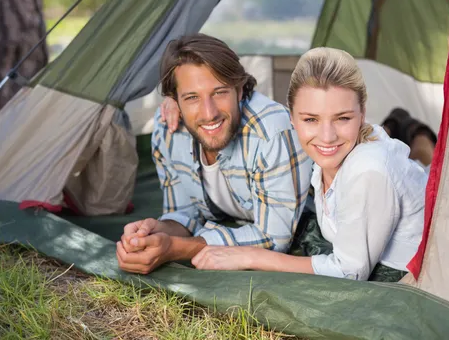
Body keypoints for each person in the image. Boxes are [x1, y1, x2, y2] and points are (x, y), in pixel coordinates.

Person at [187, 47, 428, 281]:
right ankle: (411, 135)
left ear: (362, 113)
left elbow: (349, 272)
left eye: (342, 118)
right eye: (311, 119)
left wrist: (250, 257)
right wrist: (180, 102)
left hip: (401, 269)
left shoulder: (369, 170)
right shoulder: (318, 154)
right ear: (290, 117)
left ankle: (421, 143)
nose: (326, 136)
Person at [116, 34, 313, 274]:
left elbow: (274, 239)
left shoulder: (272, 134)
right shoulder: (168, 130)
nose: (209, 113)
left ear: (239, 91)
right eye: (192, 98)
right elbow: (184, 213)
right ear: (175, 100)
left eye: (219, 92)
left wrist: (178, 249)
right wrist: (155, 232)